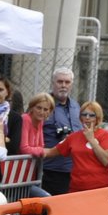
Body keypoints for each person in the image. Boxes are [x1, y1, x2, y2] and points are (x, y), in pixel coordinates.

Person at [41, 99, 108, 191]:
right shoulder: (73, 137)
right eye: (84, 114)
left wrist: (91, 140)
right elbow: (51, 151)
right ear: (80, 117)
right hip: (77, 188)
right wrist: (32, 150)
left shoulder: (105, 135)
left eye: (91, 115)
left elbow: (106, 160)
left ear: (97, 118)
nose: (87, 117)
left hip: (100, 188)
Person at [41, 67, 83, 195]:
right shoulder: (42, 105)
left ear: (72, 84)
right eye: (60, 82)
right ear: (53, 83)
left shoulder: (76, 106)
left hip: (74, 169)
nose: (63, 85)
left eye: (67, 82)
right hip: (49, 169)